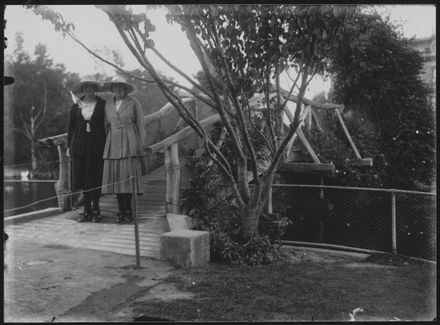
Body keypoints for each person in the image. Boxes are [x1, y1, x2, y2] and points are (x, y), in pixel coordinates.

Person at [101, 76, 146, 224]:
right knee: (117, 179)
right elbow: (106, 125)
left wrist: (141, 144)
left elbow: (140, 124)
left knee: (128, 177)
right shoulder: (108, 104)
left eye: (121, 87)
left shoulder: (134, 103)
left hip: (130, 143)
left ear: (125, 89)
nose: (118, 90)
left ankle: (129, 210)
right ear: (112, 89)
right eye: (115, 87)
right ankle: (121, 209)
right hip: (113, 144)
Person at [67, 76, 106, 223]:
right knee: (82, 178)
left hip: (97, 146)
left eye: (91, 87)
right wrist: (69, 147)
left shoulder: (102, 104)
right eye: (85, 88)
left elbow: (107, 125)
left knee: (95, 178)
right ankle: (86, 210)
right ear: (82, 90)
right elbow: (70, 127)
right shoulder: (77, 105)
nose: (88, 90)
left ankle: (96, 209)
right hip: (80, 146)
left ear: (95, 89)